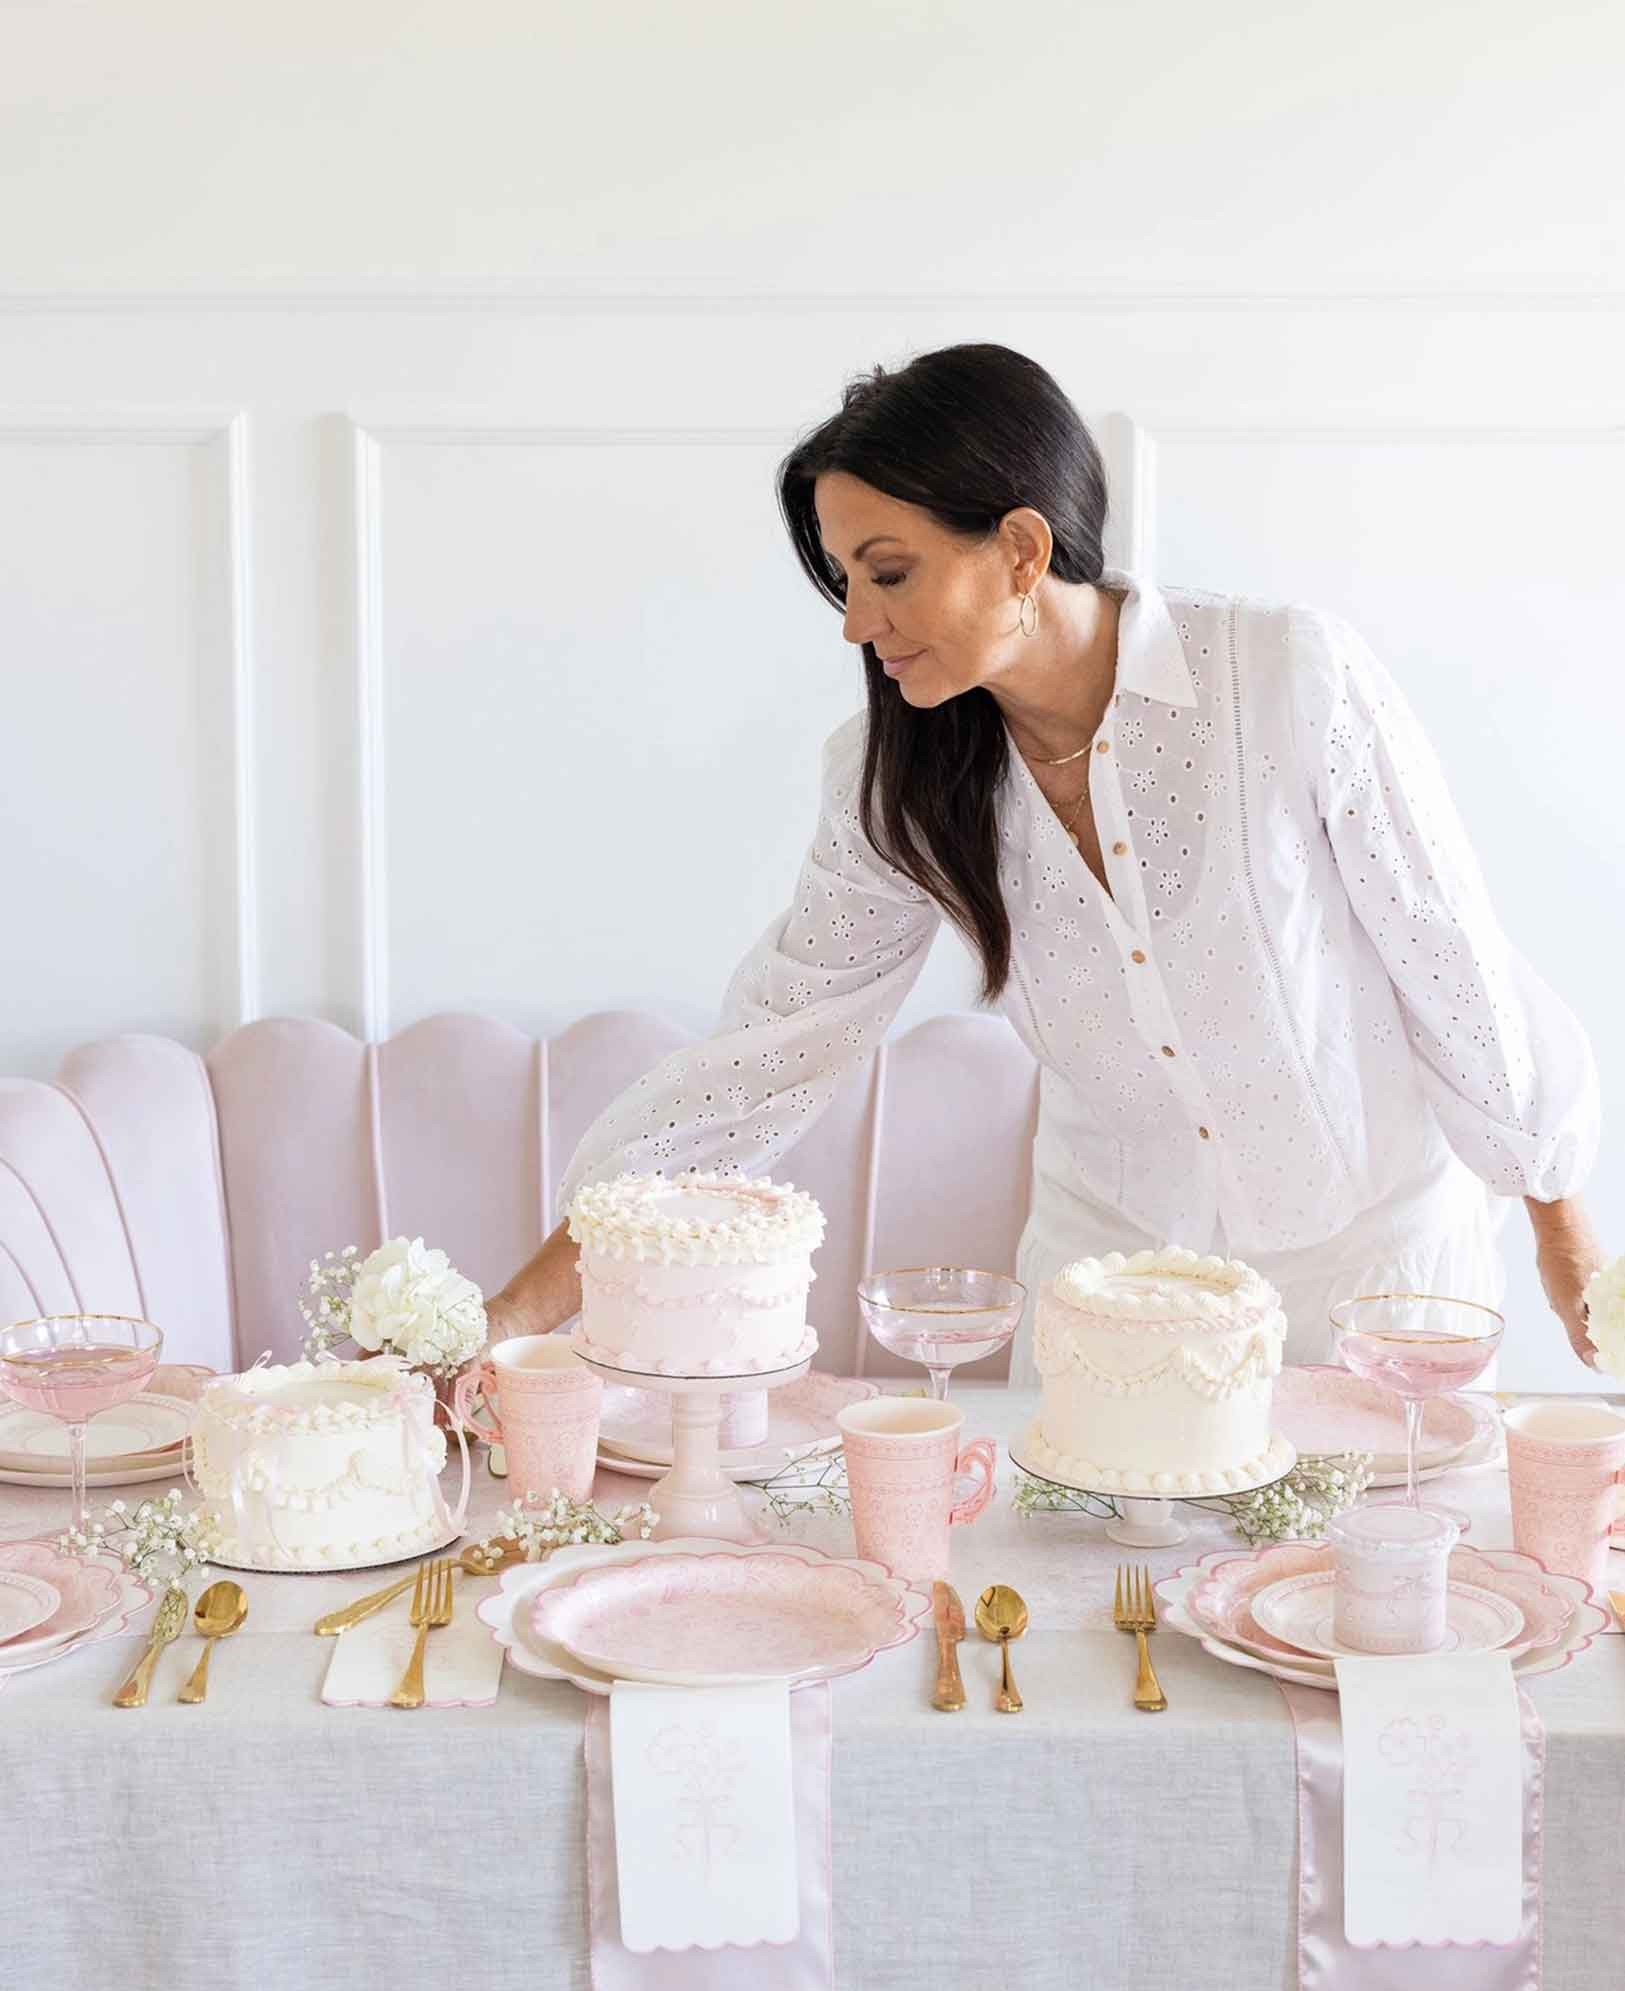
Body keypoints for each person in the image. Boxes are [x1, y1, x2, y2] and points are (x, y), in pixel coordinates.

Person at [484, 341, 1606, 1390]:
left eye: (888, 573)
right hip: (1109, 1282)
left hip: (1375, 1272)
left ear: (1019, 547)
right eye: (844, 582)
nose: (855, 624)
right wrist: (518, 1309)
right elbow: (770, 1047)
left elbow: (1445, 957)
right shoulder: (895, 781)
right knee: (1087, 1592)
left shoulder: (1282, 678)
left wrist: (1563, 1230)